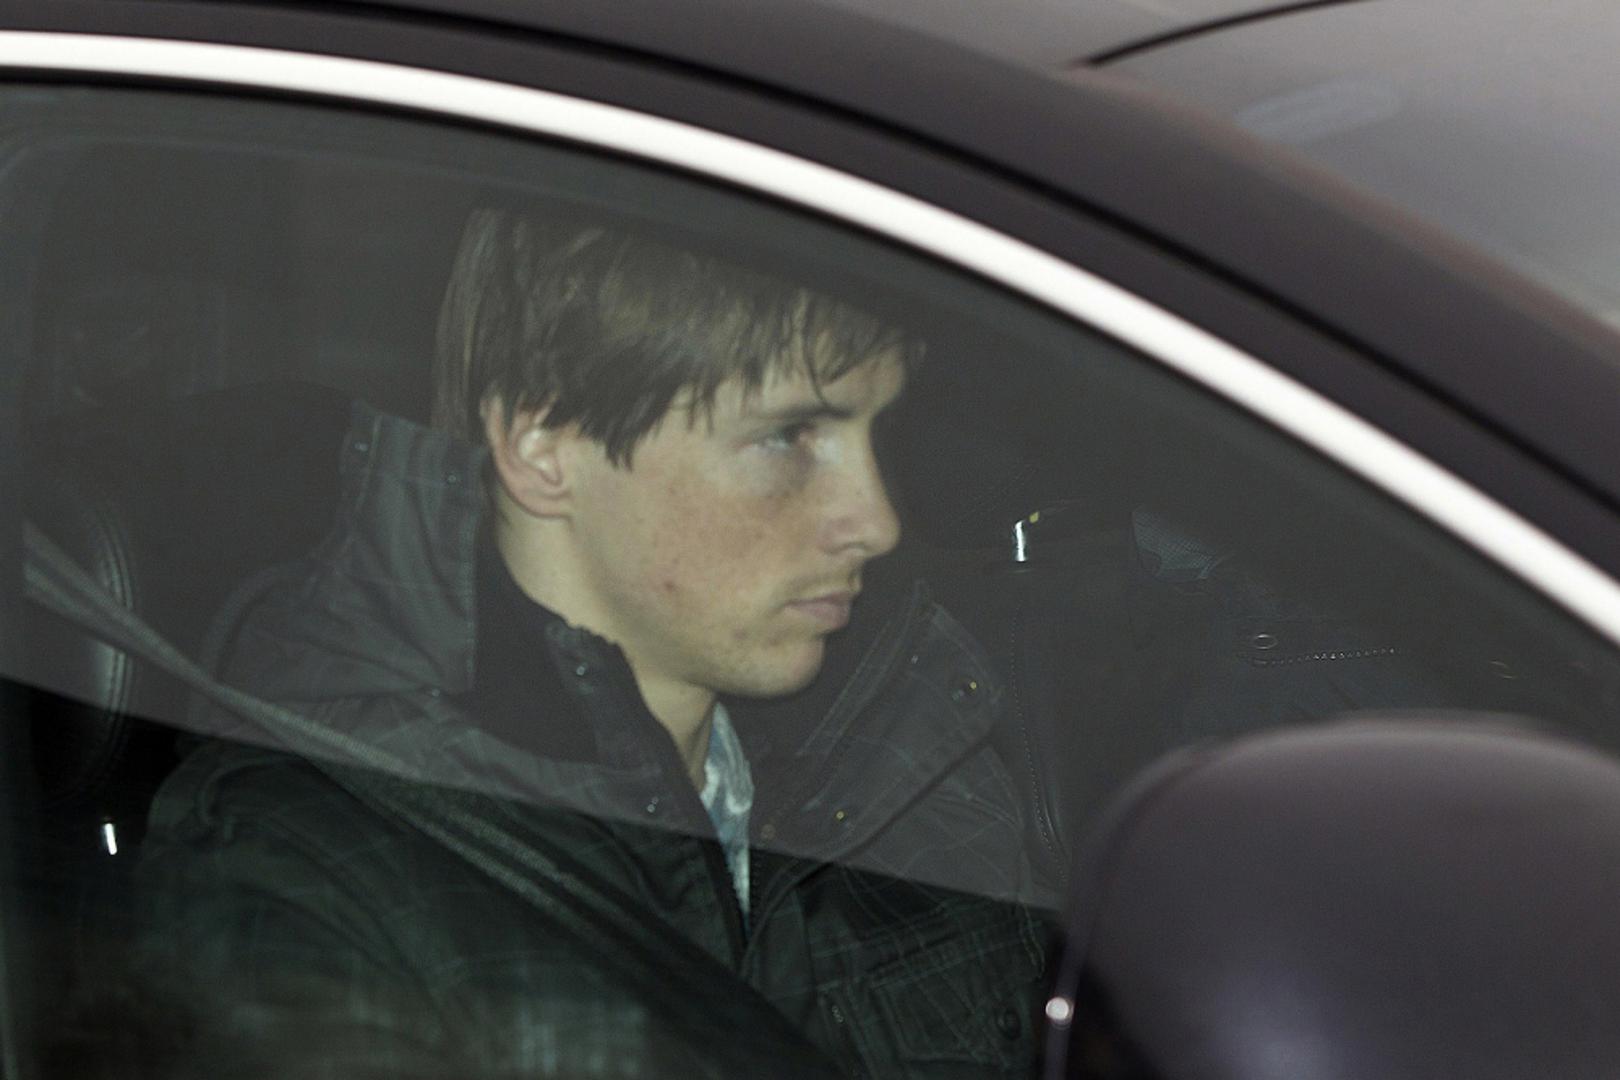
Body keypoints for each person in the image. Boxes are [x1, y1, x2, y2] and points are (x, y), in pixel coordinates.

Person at [129, 208, 1048, 1078]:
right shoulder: (309, 867)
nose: (877, 522)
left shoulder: (907, 751)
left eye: (873, 432)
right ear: (544, 446)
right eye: (787, 438)